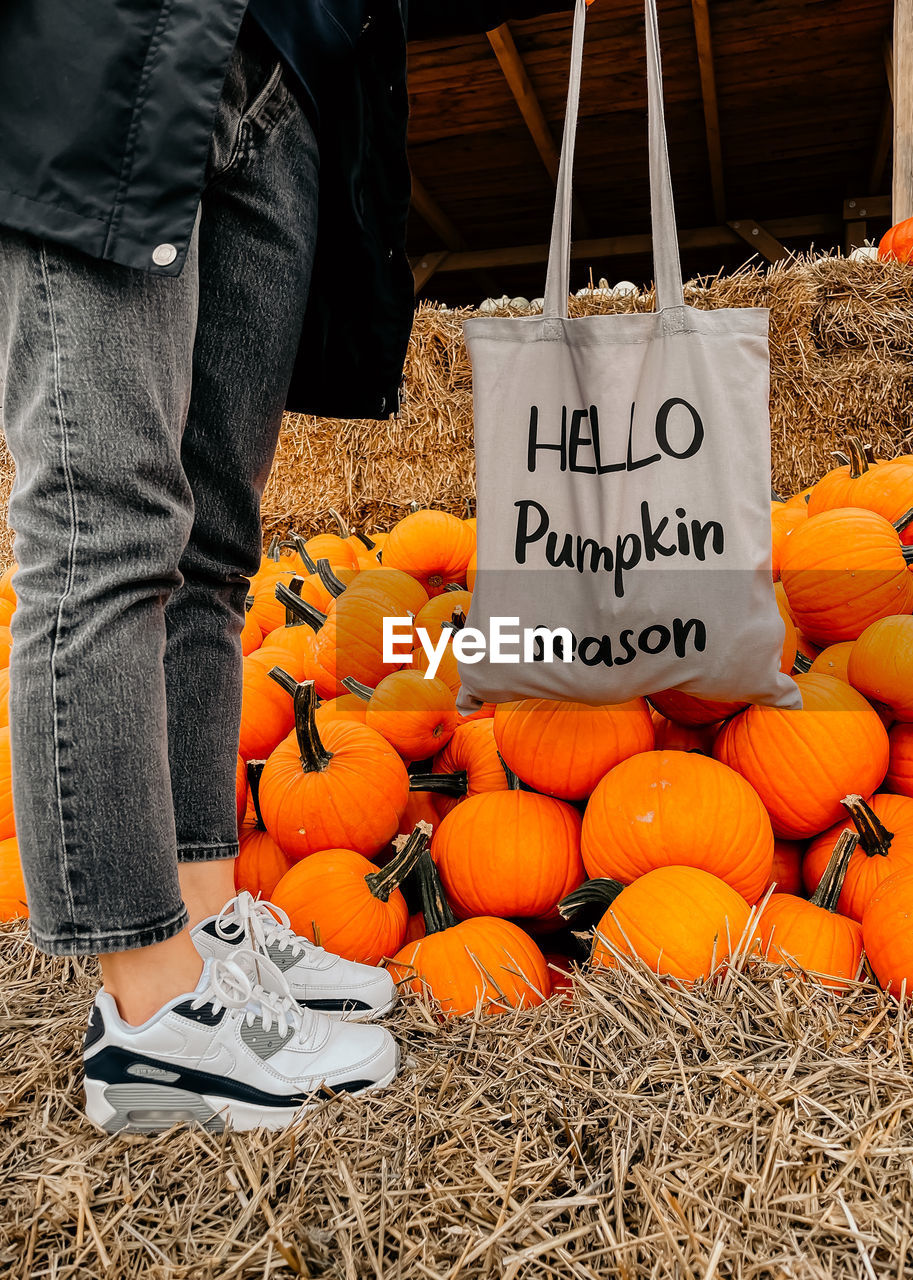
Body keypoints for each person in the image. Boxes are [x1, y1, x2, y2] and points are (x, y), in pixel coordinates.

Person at [0, 0, 570, 1133]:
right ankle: (151, 1012)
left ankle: (205, 921)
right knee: (104, 520)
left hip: (283, 67)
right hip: (112, 36)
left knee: (210, 551)